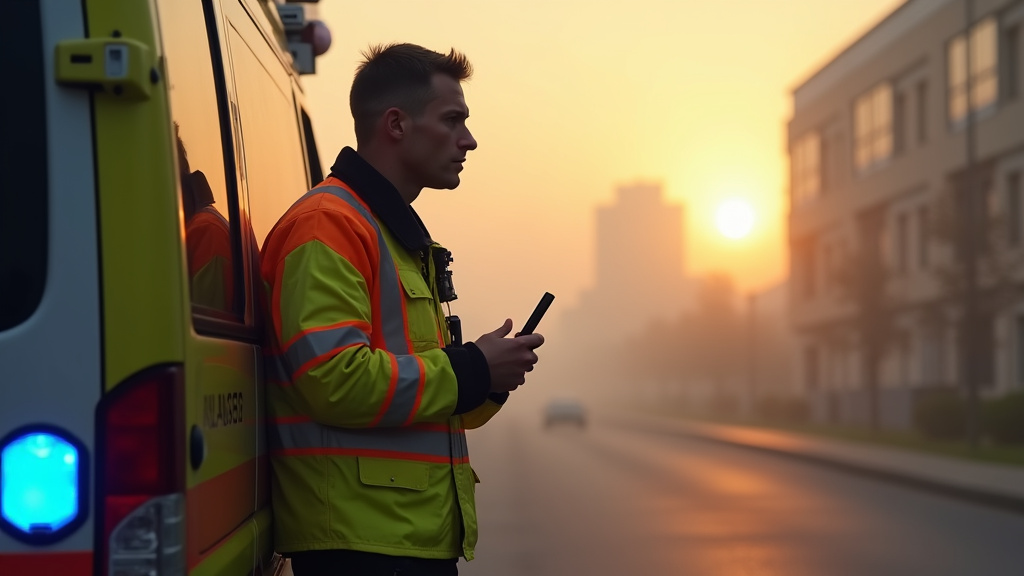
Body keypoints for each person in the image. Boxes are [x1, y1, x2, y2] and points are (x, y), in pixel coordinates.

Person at [260, 43, 545, 576]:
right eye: (453, 119)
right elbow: (334, 380)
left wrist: (489, 377)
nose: (469, 139)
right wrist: (472, 367)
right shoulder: (329, 226)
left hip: (396, 539)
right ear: (396, 123)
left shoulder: (386, 232)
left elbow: (410, 398)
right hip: (357, 545)